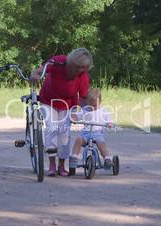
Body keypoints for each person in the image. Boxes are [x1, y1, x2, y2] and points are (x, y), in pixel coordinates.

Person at [30, 48, 93, 177]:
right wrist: (35, 74)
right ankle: (52, 165)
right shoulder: (59, 62)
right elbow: (39, 70)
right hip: (48, 101)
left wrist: (84, 113)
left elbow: (83, 97)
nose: (80, 70)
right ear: (71, 62)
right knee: (52, 127)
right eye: (78, 67)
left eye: (84, 68)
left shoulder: (83, 76)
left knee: (64, 132)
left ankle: (61, 166)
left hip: (68, 105)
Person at [69, 88, 114, 171]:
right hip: (85, 133)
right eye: (91, 105)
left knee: (101, 144)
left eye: (95, 105)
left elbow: (109, 119)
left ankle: (107, 159)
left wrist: (109, 123)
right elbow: (77, 116)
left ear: (100, 102)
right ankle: (74, 157)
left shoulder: (103, 111)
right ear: (87, 102)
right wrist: (73, 118)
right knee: (78, 140)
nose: (93, 108)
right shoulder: (85, 110)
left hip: (98, 133)